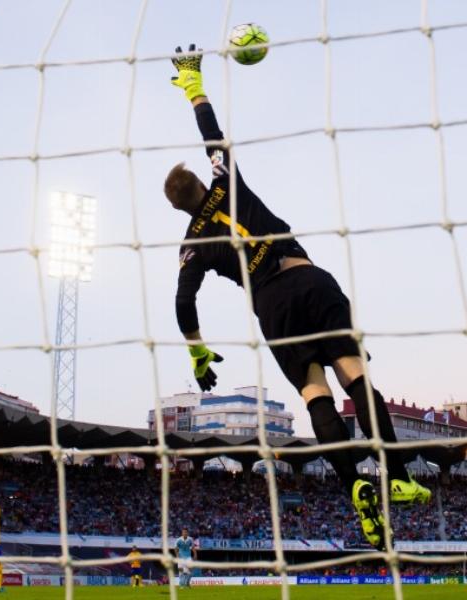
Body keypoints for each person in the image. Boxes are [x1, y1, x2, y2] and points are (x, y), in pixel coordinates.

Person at [165, 43, 429, 550]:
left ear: (178, 210)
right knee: (354, 376)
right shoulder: (227, 182)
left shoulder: (190, 248)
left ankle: (354, 482)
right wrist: (193, 85)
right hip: (308, 278)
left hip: (273, 306)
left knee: (315, 395)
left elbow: (183, 304)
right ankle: (395, 472)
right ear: (201, 181)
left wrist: (198, 353)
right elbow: (212, 136)